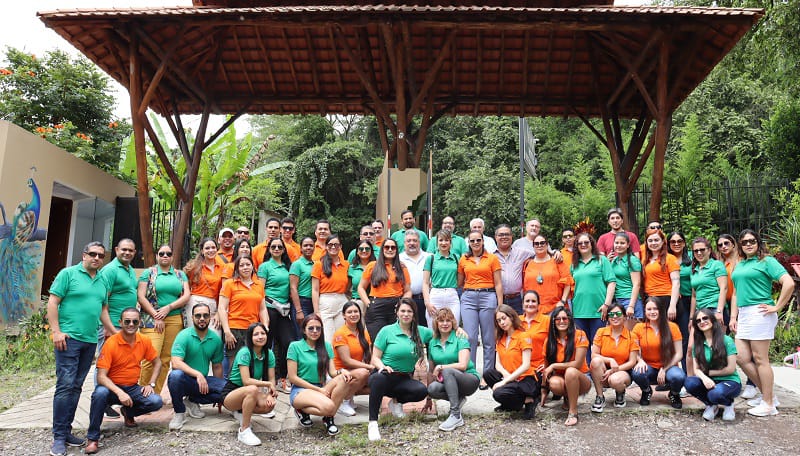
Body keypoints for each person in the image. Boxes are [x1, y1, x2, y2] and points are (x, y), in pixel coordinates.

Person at [46, 241, 116, 456]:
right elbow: (53, 302)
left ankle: (66, 431)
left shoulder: (102, 280)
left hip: (89, 341)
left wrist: (113, 331)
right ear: (84, 255)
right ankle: (58, 437)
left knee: (76, 386)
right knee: (65, 385)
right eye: (92, 254)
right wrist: (56, 331)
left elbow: (102, 309)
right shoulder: (68, 274)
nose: (96, 258)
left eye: (100, 255)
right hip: (68, 339)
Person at [730, 229, 795, 417]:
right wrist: (733, 317)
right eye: (744, 242)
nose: (748, 244)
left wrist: (776, 307)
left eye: (752, 241)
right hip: (743, 314)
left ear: (758, 242)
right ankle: (770, 396)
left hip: (760, 313)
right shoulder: (740, 263)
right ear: (740, 246)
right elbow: (735, 293)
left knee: (760, 359)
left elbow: (788, 283)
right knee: (741, 357)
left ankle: (768, 403)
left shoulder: (767, 261)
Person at [85, 308, 162, 454]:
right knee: (99, 394)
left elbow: (157, 363)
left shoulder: (144, 340)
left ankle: (128, 412)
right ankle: (93, 438)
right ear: (121, 322)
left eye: (134, 321)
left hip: (132, 387)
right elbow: (101, 376)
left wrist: (150, 384)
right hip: (110, 388)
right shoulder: (111, 343)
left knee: (156, 401)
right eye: (127, 321)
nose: (131, 324)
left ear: (140, 322)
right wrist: (120, 392)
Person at [367, 298, 433, 441]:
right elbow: (375, 358)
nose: (406, 314)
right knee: (378, 379)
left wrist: (457, 328)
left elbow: (441, 331)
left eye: (409, 311)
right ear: (397, 312)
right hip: (384, 375)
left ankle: (396, 402)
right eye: (402, 311)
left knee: (421, 391)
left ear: (414, 314)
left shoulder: (421, 332)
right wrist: (382, 367)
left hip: (403, 378)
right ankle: (373, 423)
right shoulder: (386, 331)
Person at [288, 314, 364, 436]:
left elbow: (333, 372)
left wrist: (342, 371)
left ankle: (328, 419)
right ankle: (301, 410)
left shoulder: (326, 346)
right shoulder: (295, 346)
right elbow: (293, 378)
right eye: (311, 328)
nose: (315, 331)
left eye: (318, 328)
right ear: (304, 330)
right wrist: (318, 390)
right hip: (301, 390)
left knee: (344, 378)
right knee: (329, 407)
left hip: (322, 387)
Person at [137, 244, 190, 394]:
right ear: (157, 256)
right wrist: (156, 315)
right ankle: (141, 393)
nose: (165, 256)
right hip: (151, 319)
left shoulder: (180, 275)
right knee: (150, 357)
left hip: (174, 319)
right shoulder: (148, 273)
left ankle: (156, 394)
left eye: (168, 253)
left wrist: (169, 308)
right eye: (161, 253)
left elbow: (186, 295)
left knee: (166, 358)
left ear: (172, 257)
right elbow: (141, 296)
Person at [168, 303, 227, 431]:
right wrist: (198, 374)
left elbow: (217, 366)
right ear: (192, 317)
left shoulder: (215, 339)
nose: (202, 318)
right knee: (175, 375)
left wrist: (220, 391)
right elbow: (176, 363)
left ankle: (192, 401)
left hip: (202, 383)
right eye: (198, 315)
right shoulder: (184, 335)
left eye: (205, 315)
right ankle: (179, 413)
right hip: (185, 381)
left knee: (228, 389)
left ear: (210, 317)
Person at [97, 238, 137, 417]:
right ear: (116, 250)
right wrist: (108, 327)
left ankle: (109, 399)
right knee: (104, 364)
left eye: (130, 250)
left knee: (117, 363)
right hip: (111, 324)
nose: (127, 253)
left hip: (124, 325)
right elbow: (102, 301)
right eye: (124, 250)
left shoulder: (128, 270)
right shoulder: (110, 270)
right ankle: (101, 400)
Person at [221, 322, 277, 446]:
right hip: (231, 393)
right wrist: (267, 385)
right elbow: (246, 381)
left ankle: (240, 412)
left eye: (263, 333)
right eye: (256, 334)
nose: (260, 336)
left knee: (269, 405)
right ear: (250, 338)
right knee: (252, 389)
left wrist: (269, 395)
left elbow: (272, 379)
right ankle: (244, 430)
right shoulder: (244, 352)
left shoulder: (269, 353)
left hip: (250, 391)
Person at [458, 229, 504, 383]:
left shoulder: (492, 258)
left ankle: (487, 375)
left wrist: (500, 305)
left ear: (483, 241)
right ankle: (471, 374)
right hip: (469, 297)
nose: (476, 243)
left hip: (488, 296)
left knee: (489, 338)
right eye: (472, 241)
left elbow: (498, 283)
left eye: (478, 240)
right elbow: (459, 282)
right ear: (469, 243)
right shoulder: (463, 259)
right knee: (469, 337)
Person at [428, 308, 480, 431]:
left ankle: (455, 415)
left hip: (468, 379)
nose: (445, 324)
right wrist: (428, 398)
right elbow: (431, 371)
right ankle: (458, 400)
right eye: (441, 321)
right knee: (432, 388)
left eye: (448, 320)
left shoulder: (460, 337)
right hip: (448, 382)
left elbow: (463, 365)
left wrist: (441, 367)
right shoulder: (432, 342)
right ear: (436, 323)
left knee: (447, 371)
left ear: (453, 323)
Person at [684, 308, 741, 421]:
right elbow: (696, 369)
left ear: (712, 320)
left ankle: (728, 404)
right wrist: (704, 378)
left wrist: (708, 373)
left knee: (714, 394)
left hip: (729, 380)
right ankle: (711, 405)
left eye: (705, 318)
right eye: (698, 320)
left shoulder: (726, 340)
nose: (702, 322)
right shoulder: (698, 344)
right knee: (689, 382)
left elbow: (730, 369)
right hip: (709, 381)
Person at [483, 305, 538, 419]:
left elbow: (526, 365)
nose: (502, 322)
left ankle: (529, 400)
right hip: (510, 376)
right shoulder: (500, 338)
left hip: (525, 379)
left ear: (511, 317)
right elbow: (497, 364)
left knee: (498, 393)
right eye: (499, 320)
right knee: (488, 374)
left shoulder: (524, 335)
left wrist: (504, 382)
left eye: (504, 318)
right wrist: (507, 376)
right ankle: (511, 404)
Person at [541, 306, 591, 426]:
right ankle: (568, 398)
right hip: (561, 379)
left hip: (581, 379)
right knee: (554, 383)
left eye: (565, 318)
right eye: (557, 319)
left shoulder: (580, 334)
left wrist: (554, 365)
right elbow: (546, 368)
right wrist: (543, 390)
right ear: (553, 322)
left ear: (570, 320)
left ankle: (573, 412)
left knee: (571, 371)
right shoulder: (549, 341)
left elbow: (577, 363)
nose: (561, 321)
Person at [219, 255, 269, 376]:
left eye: (248, 264)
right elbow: (222, 308)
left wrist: (265, 326)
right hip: (234, 329)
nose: (245, 267)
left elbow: (262, 309)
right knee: (234, 365)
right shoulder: (230, 284)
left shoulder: (259, 285)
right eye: (241, 265)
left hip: (253, 330)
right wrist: (227, 331)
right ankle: (231, 392)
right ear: (237, 269)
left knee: (251, 363)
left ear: (253, 267)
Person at [631, 297, 686, 409]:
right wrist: (640, 360)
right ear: (645, 311)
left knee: (678, 376)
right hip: (649, 366)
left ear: (661, 310)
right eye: (649, 309)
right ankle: (646, 391)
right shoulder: (638, 328)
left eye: (655, 309)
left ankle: (674, 394)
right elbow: (633, 350)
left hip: (669, 366)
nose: (652, 312)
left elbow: (679, 354)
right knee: (637, 372)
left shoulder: (672, 327)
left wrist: (665, 368)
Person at [570, 232, 615, 365]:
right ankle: (587, 373)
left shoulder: (602, 260)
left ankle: (601, 373)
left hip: (599, 309)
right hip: (579, 310)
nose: (583, 245)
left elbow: (611, 282)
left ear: (591, 244)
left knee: (599, 343)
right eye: (580, 243)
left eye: (586, 242)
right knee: (583, 344)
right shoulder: (574, 264)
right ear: (576, 246)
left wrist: (607, 304)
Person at [258, 237, 295, 394]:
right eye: (273, 246)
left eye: (280, 246)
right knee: (267, 344)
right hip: (269, 307)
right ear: (269, 249)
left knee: (288, 343)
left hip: (284, 309)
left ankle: (282, 378)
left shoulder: (288, 266)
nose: (277, 249)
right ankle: (267, 381)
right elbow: (260, 290)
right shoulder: (265, 266)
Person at [589, 303, 639, 412]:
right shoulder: (601, 332)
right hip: (602, 371)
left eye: (618, 313)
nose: (614, 316)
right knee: (595, 361)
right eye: (611, 314)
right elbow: (594, 354)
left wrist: (613, 370)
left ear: (625, 316)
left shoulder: (632, 336)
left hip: (623, 372)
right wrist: (610, 360)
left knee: (615, 380)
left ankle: (620, 392)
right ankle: (600, 396)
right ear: (607, 317)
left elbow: (632, 361)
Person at [359, 238, 412, 339]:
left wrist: (403, 304)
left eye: (393, 247)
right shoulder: (372, 266)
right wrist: (368, 303)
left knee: (396, 340)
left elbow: (408, 290)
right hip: (376, 307)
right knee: (378, 340)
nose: (390, 249)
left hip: (396, 306)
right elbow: (361, 287)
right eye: (387, 247)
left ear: (396, 250)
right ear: (382, 249)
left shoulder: (402, 267)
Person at [332, 301, 373, 416]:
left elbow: (370, 356)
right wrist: (369, 367)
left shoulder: (364, 332)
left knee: (378, 380)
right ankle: (342, 401)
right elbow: (347, 361)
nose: (353, 314)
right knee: (363, 373)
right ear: (343, 315)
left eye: (356, 311)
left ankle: (349, 397)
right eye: (349, 312)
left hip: (356, 370)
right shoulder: (340, 334)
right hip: (340, 373)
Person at [311, 234, 350, 343]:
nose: (333, 247)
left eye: (336, 245)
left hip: (342, 301)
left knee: (340, 337)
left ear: (340, 246)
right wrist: (316, 311)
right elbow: (315, 290)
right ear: (326, 247)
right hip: (326, 302)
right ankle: (328, 360)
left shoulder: (346, 264)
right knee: (328, 338)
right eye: (330, 245)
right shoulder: (319, 265)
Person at [522, 234, 572, 316]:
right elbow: (525, 288)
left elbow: (567, 282)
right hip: (534, 309)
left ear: (547, 245)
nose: (539, 245)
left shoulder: (557, 261)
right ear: (533, 246)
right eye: (536, 244)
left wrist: (562, 301)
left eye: (542, 243)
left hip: (556, 308)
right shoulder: (527, 264)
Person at [184, 238, 224, 331]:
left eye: (213, 247)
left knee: (215, 336)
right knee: (195, 334)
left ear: (217, 249)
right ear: (202, 251)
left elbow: (224, 291)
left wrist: (219, 312)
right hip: (195, 303)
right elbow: (185, 286)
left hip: (214, 305)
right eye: (207, 248)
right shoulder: (194, 267)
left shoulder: (223, 267)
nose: (211, 250)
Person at [422, 230, 461, 327]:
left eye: (447, 240)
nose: (444, 243)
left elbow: (460, 279)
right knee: (433, 328)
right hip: (435, 295)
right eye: (441, 240)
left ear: (450, 242)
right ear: (437, 242)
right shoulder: (431, 259)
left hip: (452, 295)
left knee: (454, 326)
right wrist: (427, 303)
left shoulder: (456, 258)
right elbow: (425, 283)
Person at [642, 228, 680, 321]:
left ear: (663, 241)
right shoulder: (645, 260)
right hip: (649, 299)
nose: (653, 243)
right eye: (650, 240)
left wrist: (672, 306)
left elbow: (676, 283)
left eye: (656, 240)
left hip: (666, 298)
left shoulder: (670, 258)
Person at [667, 231, 692, 370]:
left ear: (684, 243)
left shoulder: (693, 257)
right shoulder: (666, 259)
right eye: (673, 242)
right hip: (674, 301)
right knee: (672, 338)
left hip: (691, 300)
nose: (676, 244)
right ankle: (672, 374)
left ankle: (689, 374)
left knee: (687, 339)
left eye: (679, 241)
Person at [492, 224, 530, 314]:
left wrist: (555, 252)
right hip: (497, 299)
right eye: (501, 235)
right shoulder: (490, 255)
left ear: (511, 236)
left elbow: (540, 251)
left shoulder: (521, 252)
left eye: (507, 234)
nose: (504, 237)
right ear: (495, 237)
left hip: (517, 300)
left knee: (519, 327)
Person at [689, 238, 728, 323]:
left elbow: (723, 288)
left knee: (717, 336)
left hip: (714, 308)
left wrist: (719, 311)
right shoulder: (693, 270)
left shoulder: (716, 265)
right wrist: (691, 318)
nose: (699, 253)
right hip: (699, 311)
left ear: (709, 250)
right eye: (696, 251)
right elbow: (694, 296)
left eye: (702, 250)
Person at [610, 233, 642, 330]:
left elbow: (637, 284)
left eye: (622, 243)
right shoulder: (614, 260)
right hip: (617, 301)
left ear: (628, 245)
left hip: (630, 300)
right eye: (617, 243)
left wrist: (631, 306)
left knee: (631, 335)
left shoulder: (633, 260)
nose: (619, 245)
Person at [399, 229, 431, 319]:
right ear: (404, 243)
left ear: (419, 242)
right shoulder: (398, 259)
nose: (412, 243)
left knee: (426, 329)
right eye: (409, 241)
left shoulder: (429, 257)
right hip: (406, 301)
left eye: (415, 240)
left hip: (426, 300)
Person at [290, 236, 316, 325]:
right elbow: (293, 288)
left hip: (314, 302)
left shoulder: (316, 264)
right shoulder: (297, 264)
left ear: (314, 248)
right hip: (301, 303)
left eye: (311, 245)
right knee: (301, 334)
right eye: (305, 245)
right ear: (301, 248)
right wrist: (298, 310)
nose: (308, 247)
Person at [348, 240, 376, 310]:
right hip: (357, 302)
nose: (364, 251)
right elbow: (347, 289)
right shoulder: (352, 268)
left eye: (367, 249)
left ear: (371, 251)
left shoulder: (377, 266)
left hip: (374, 302)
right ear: (357, 252)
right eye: (361, 249)